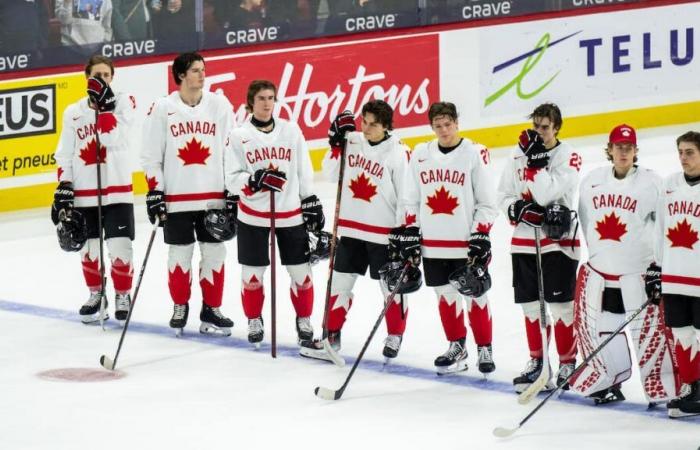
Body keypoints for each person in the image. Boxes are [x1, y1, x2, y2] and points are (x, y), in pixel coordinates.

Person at [299, 100, 412, 363]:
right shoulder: (351, 142)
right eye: (365, 121)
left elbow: (407, 197)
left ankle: (395, 334)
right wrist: (335, 145)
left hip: (385, 235)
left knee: (390, 288)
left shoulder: (399, 153)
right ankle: (331, 336)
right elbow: (329, 174)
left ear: (386, 126)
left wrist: (403, 233)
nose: (367, 127)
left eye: (374, 124)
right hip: (351, 229)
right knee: (339, 284)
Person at [572, 124, 678, 405]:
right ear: (609, 149)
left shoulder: (652, 183)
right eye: (618, 146)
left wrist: (659, 265)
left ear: (635, 151)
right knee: (602, 329)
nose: (623, 151)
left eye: (628, 147)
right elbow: (586, 221)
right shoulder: (592, 181)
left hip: (638, 275)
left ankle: (663, 386)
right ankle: (608, 378)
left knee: (650, 334)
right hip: (601, 275)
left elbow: (664, 228)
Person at [141, 52, 236, 337]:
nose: (202, 74)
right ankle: (180, 305)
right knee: (179, 255)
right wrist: (155, 191)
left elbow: (231, 150)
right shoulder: (162, 108)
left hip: (212, 198)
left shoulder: (219, 105)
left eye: (203, 69)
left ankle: (212, 309)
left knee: (215, 254)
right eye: (196, 70)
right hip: (177, 198)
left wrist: (231, 192)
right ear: (181, 75)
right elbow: (150, 156)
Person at [402, 102, 498, 375]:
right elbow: (410, 199)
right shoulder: (420, 154)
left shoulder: (474, 153)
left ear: (457, 122)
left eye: (448, 124)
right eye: (438, 126)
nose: (444, 131)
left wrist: (481, 233)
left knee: (476, 296)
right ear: (431, 127)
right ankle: (457, 346)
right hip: (433, 243)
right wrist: (411, 230)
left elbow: (488, 202)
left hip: (465, 243)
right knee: (445, 295)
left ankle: (484, 348)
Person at [224, 79, 321, 347]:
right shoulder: (238, 135)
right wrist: (254, 180)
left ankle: (304, 319)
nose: (267, 103)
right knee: (252, 274)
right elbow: (231, 179)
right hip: (253, 215)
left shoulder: (291, 131)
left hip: (290, 213)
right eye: (261, 99)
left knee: (301, 272)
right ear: (250, 103)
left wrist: (310, 200)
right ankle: (254, 319)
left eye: (271, 98)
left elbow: (304, 169)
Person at [497, 103, 581, 392]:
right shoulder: (516, 153)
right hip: (523, 242)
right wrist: (515, 208)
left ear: (557, 128)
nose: (539, 132)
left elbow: (546, 194)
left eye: (545, 127)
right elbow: (503, 193)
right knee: (531, 306)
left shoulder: (568, 155)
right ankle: (538, 361)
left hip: (558, 243)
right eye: (536, 126)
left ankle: (568, 361)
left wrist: (536, 164)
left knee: (561, 306)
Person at [52, 55, 136, 324]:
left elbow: (112, 137)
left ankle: (123, 294)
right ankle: (96, 293)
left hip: (117, 189)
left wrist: (107, 107)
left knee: (120, 247)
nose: (102, 80)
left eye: (106, 75)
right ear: (86, 78)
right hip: (85, 192)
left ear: (113, 77)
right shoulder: (73, 112)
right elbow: (65, 153)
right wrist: (65, 185)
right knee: (88, 248)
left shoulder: (125, 103)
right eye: (96, 76)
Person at [651, 131, 700, 417]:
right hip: (674, 275)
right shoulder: (669, 185)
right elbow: (659, 228)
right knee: (681, 333)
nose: (683, 158)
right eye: (680, 152)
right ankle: (691, 386)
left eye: (690, 152)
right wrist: (657, 267)